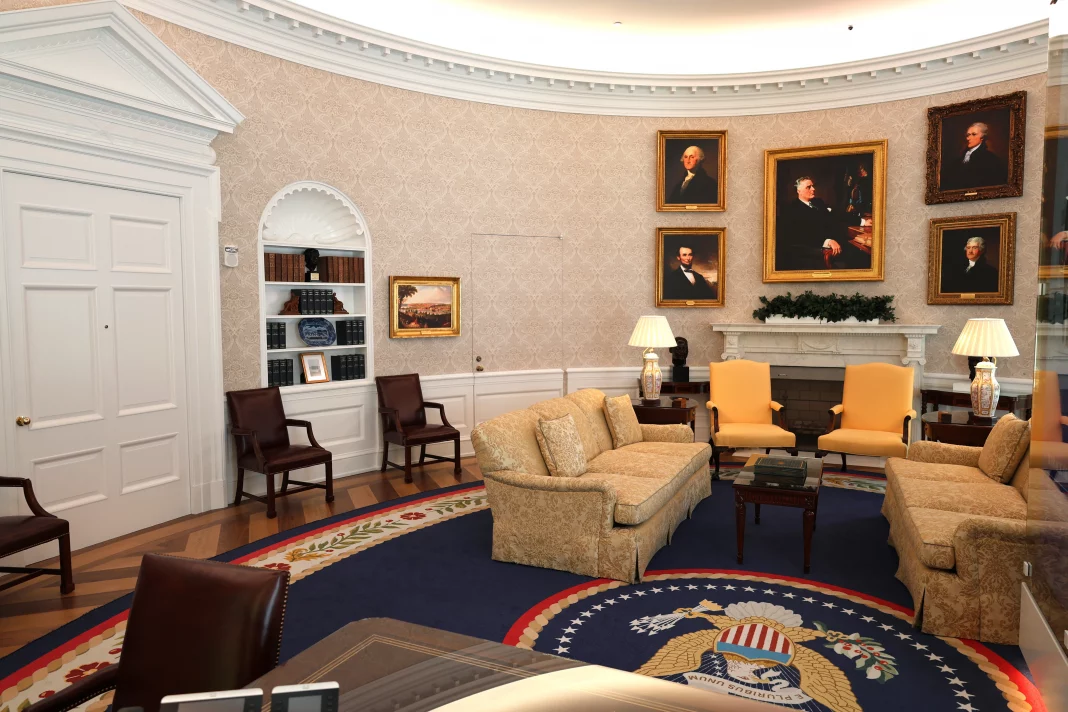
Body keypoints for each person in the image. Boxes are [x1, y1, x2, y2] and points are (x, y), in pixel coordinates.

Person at [777, 176, 869, 271]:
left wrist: (862, 221)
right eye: (808, 187)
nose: (813, 189)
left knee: (860, 251)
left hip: (837, 241)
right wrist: (827, 241)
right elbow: (800, 236)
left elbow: (837, 214)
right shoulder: (792, 209)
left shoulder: (818, 202)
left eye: (813, 186)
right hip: (815, 250)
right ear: (798, 190)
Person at [942, 122, 1008, 190]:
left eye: (974, 134)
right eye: (968, 135)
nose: (968, 138)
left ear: (982, 137)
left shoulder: (990, 159)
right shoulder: (960, 159)